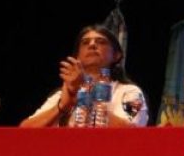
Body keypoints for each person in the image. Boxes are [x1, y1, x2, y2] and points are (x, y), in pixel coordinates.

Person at [21, 24, 149, 127]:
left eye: (101, 42)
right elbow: (24, 131)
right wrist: (63, 106)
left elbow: (132, 133)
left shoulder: (129, 92)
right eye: (85, 43)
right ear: (77, 56)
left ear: (117, 55)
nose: (92, 45)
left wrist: (85, 95)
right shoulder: (64, 94)